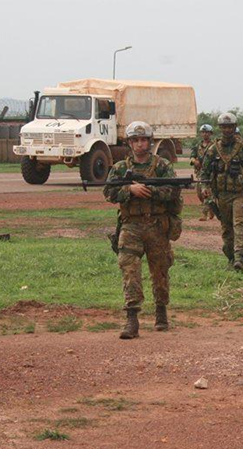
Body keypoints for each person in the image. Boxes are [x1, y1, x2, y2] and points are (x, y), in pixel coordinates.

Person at [103, 121, 182, 340]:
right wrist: (130, 189)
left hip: (157, 226)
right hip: (131, 226)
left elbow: (174, 191)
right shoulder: (120, 168)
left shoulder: (162, 165)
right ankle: (132, 318)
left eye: (144, 140)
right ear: (129, 143)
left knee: (160, 270)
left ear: (150, 141)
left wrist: (150, 191)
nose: (140, 144)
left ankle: (161, 311)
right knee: (129, 270)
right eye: (135, 140)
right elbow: (108, 193)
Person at [202, 112, 243, 270]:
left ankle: (240, 256)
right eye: (224, 127)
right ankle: (231, 256)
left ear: (235, 127)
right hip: (221, 195)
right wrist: (206, 189)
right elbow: (205, 173)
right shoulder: (214, 149)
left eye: (230, 127)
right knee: (226, 228)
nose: (227, 130)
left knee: (238, 223)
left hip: (239, 194)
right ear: (220, 128)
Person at [191, 124, 216, 221]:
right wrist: (195, 161)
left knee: (206, 193)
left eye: (207, 132)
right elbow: (192, 156)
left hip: (210, 173)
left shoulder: (214, 145)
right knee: (199, 193)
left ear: (211, 134)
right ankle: (211, 209)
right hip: (200, 173)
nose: (205, 134)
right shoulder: (197, 146)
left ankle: (204, 214)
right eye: (203, 132)